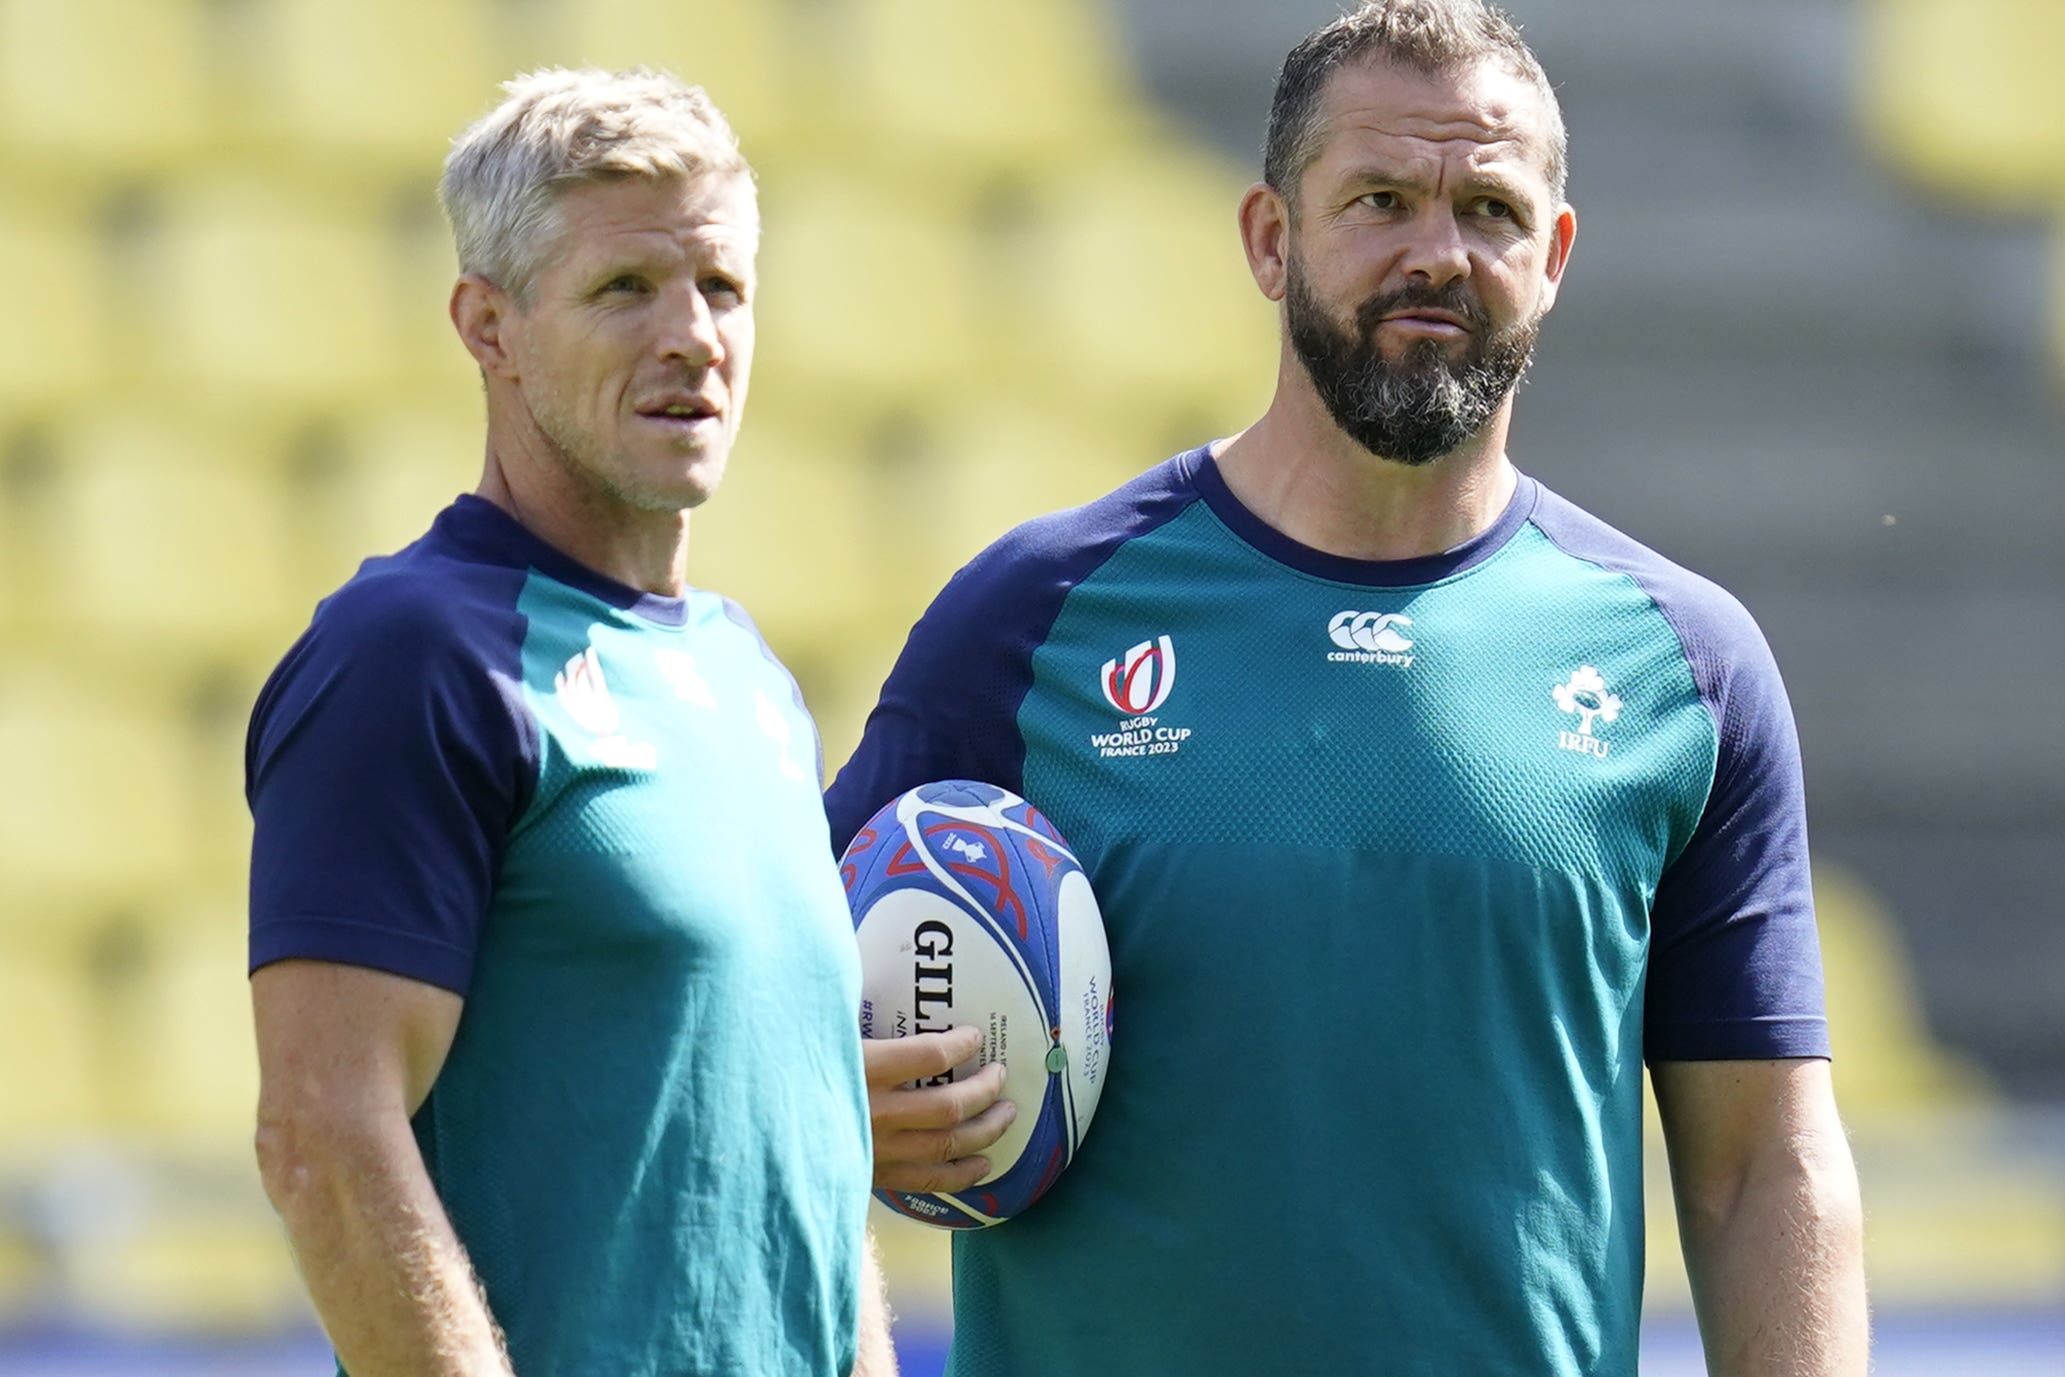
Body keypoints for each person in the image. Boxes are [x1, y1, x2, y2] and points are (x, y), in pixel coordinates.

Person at [827, 3, 1868, 1373]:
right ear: (1270, 239)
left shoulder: (1685, 664)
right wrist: (836, 1100)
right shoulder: (1028, 618)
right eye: (1377, 199)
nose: (1434, 251)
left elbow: (1761, 1169)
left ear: (1551, 257)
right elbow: (749, 1016)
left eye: (1486, 207)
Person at [247, 68, 889, 1377]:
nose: (691, 336)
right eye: (622, 290)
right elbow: (323, 1133)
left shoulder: (751, 678)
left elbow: (811, 1166)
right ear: (489, 326)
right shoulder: (414, 654)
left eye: (721, 287)